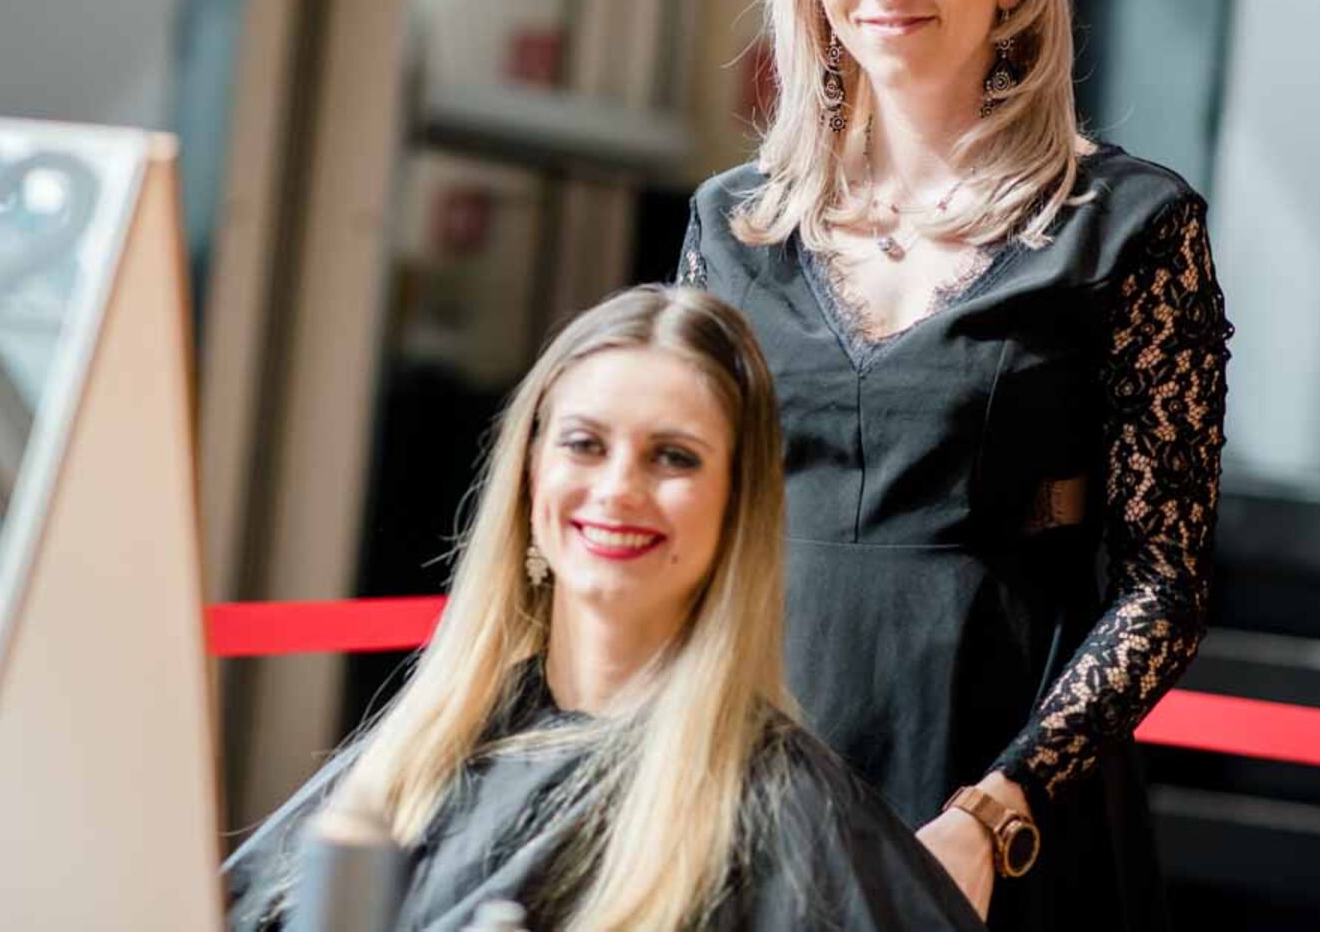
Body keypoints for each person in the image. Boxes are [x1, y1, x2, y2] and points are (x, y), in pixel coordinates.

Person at [677, 0, 1233, 929]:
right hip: (752, 774)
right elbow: (683, 517)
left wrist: (996, 812)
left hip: (1003, 805)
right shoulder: (732, 223)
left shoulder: (1132, 226)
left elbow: (1163, 589)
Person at [224, 284, 984, 931]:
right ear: (530, 475)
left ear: (736, 506)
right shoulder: (414, 757)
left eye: (673, 457)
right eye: (585, 444)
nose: (619, 489)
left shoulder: (789, 816)